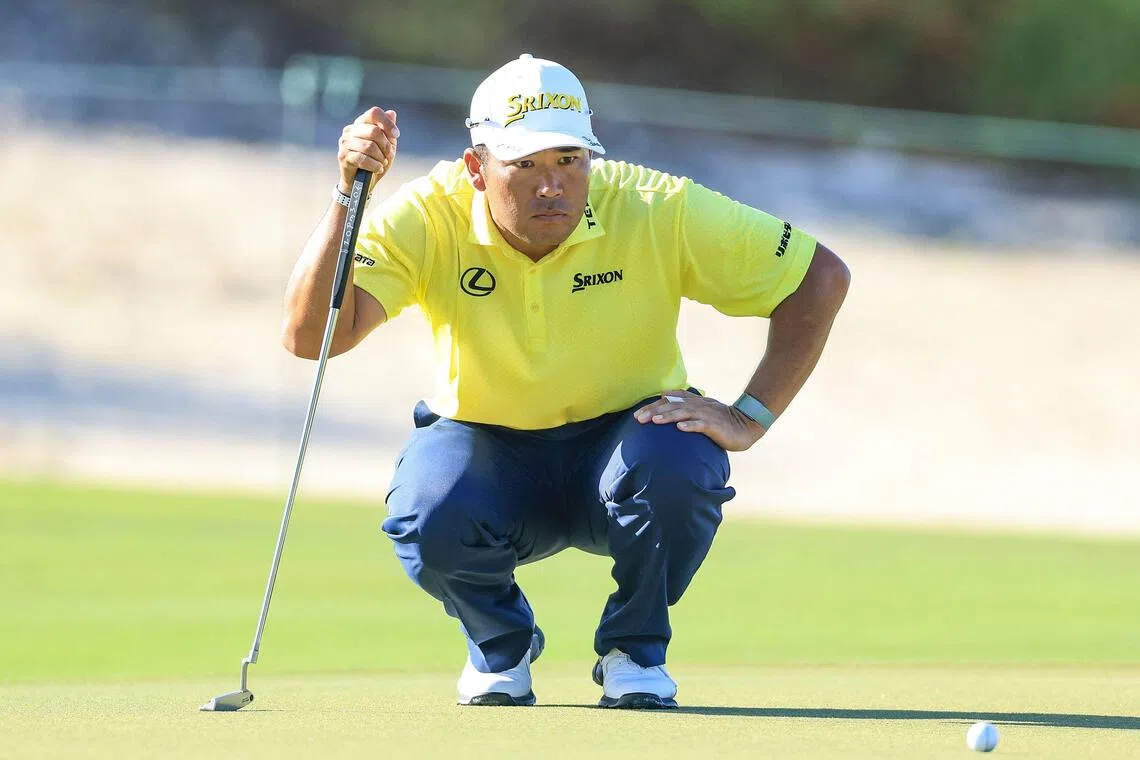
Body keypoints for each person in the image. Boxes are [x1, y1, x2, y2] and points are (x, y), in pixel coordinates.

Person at [282, 54, 850, 710]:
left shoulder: (653, 205)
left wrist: (750, 415)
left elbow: (820, 277)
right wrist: (347, 199)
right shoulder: (429, 215)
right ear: (476, 168)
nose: (551, 186)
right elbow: (310, 335)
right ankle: (502, 645)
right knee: (425, 511)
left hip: (624, 450)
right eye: (523, 165)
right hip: (487, 458)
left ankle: (634, 650)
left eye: (568, 161)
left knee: (682, 465)